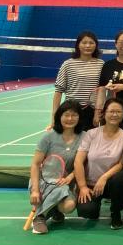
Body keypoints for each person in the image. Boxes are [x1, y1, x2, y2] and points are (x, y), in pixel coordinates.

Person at [29, 99, 83, 235]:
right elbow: (35, 164)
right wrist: (35, 190)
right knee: (61, 192)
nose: (70, 118)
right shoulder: (48, 137)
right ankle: (40, 218)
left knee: (69, 206)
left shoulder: (84, 137)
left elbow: (83, 163)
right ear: (59, 116)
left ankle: (53, 210)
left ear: (79, 117)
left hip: (65, 182)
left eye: (74, 115)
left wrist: (70, 177)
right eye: (66, 115)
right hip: (44, 180)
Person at [74, 97, 123, 228]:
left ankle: (115, 213)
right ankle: (95, 204)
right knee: (87, 212)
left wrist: (104, 178)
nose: (114, 115)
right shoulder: (91, 134)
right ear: (104, 113)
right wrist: (82, 187)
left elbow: (121, 164)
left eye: (118, 112)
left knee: (122, 176)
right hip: (91, 185)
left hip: (111, 184)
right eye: (111, 111)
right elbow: (78, 162)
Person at [52, 30, 104, 131]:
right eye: (84, 42)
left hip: (92, 112)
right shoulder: (68, 64)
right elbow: (58, 91)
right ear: (78, 45)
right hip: (71, 111)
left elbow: (101, 91)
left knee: (89, 140)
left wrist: (97, 113)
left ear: (96, 45)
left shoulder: (101, 64)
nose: (88, 46)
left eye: (91, 43)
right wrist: (55, 117)